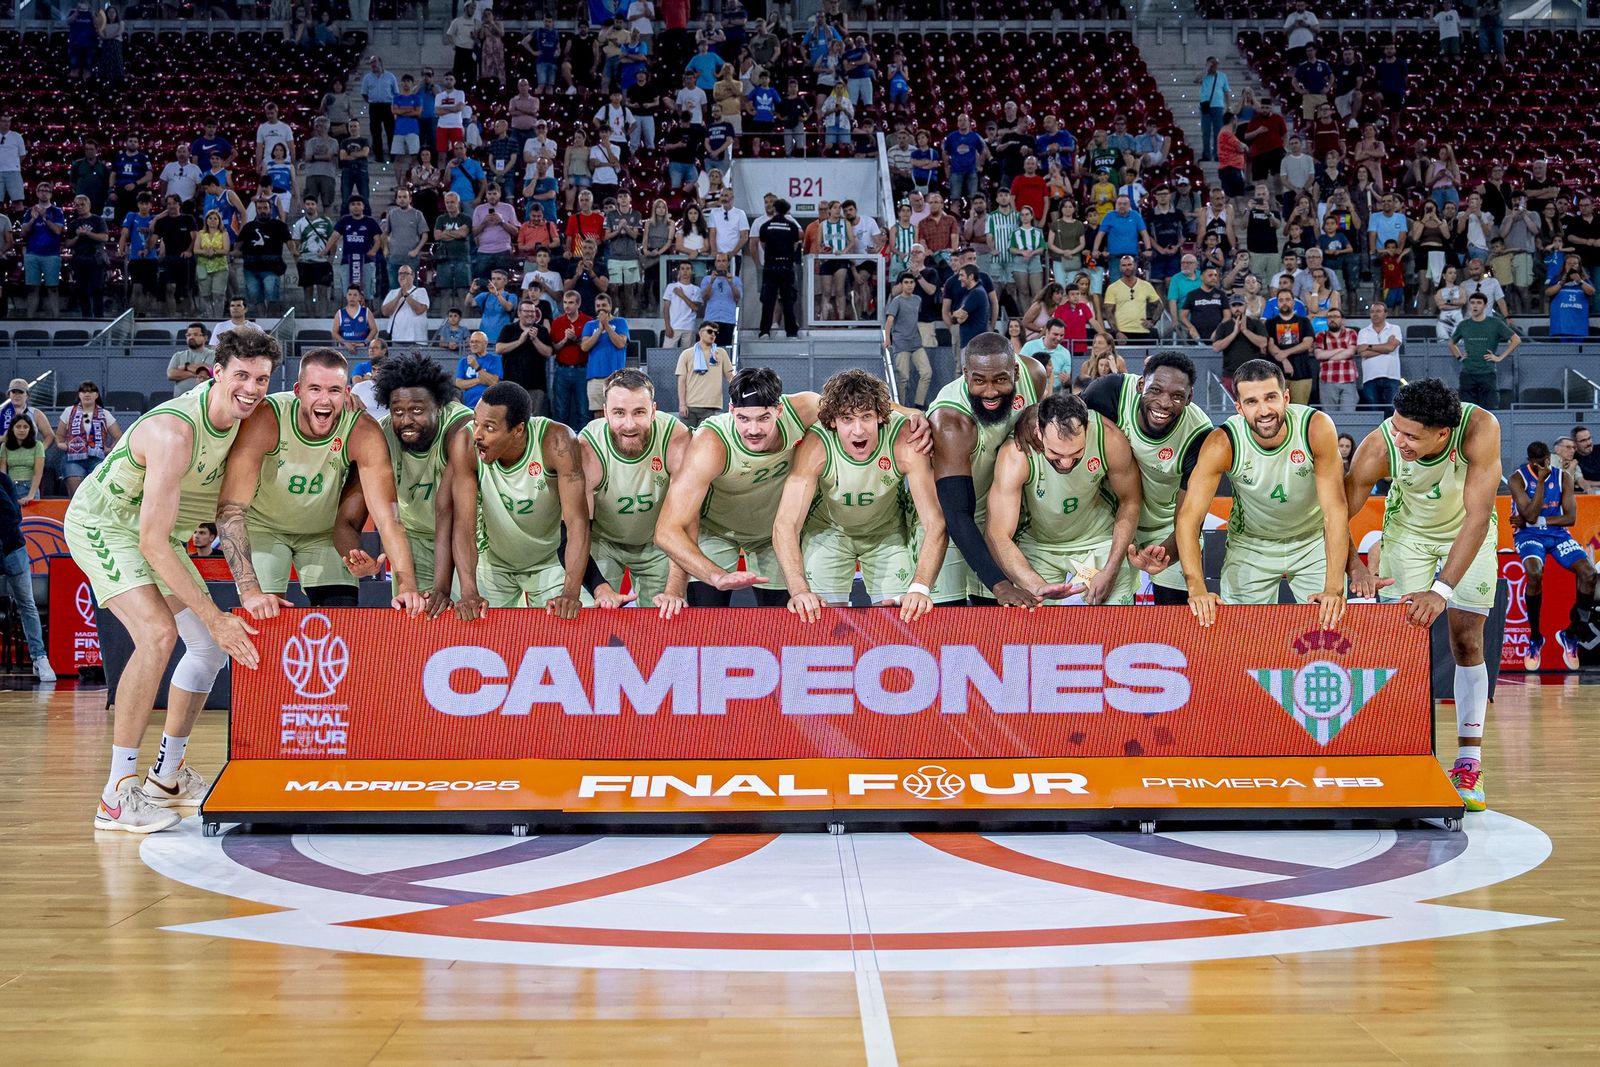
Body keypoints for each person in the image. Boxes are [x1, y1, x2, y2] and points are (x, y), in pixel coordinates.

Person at [66, 329, 283, 832]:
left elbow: (226, 516)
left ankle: (168, 777)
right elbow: (150, 543)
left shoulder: (245, 420)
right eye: (242, 376)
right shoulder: (174, 431)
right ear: (217, 372)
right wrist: (215, 614)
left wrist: (244, 595)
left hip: (157, 535)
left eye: (262, 379)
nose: (252, 388)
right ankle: (118, 794)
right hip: (107, 525)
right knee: (160, 634)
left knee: (206, 647)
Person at [1344, 378, 1502, 811]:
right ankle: (1400, 754)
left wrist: (1441, 590)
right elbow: (1337, 509)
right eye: (1397, 428)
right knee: (1400, 641)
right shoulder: (1381, 445)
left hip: (1467, 532)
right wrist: (1353, 564)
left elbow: (1477, 517)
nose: (1400, 440)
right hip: (1408, 533)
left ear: (1442, 434)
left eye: (1411, 435)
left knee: (1467, 639)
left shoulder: (1480, 428)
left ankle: (1469, 763)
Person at [216, 348, 422, 615]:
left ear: (348, 393)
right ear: (298, 390)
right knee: (264, 614)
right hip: (264, 527)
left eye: (334, 390)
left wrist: (407, 585)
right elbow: (230, 508)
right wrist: (249, 589)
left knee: (341, 616)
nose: (324, 400)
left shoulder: (362, 430)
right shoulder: (268, 417)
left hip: (323, 533)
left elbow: (388, 518)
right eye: (315, 389)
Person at [1177, 359, 1348, 628]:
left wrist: (1334, 586)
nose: (1264, 410)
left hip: (1312, 541)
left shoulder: (1315, 428)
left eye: (1271, 397)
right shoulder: (1223, 442)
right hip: (1251, 544)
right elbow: (1189, 518)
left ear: (1286, 397)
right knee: (1243, 637)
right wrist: (1196, 587)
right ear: (1239, 408)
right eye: (1252, 402)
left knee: (1330, 628)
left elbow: (1335, 510)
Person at [772, 370, 945, 621]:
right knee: (818, 618)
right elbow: (785, 524)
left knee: (902, 618)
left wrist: (920, 587)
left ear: (881, 417)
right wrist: (798, 590)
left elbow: (934, 521)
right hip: (829, 532)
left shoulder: (906, 440)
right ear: (832, 422)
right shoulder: (816, 446)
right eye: (847, 419)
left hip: (886, 533)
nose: (858, 430)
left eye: (866, 417)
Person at [655, 368, 825, 608]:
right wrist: (717, 576)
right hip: (716, 533)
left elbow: (863, 405)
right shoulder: (711, 443)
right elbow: (666, 530)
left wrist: (899, 417)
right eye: (743, 418)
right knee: (706, 630)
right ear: (731, 410)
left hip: (772, 534)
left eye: (763, 418)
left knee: (783, 628)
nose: (753, 430)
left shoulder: (805, 408)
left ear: (779, 410)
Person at [923, 332, 1051, 606]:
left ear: (1016, 371)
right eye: (979, 380)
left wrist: (1035, 410)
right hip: (950, 522)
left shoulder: (1035, 374)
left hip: (1004, 518)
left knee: (1001, 628)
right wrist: (1000, 585)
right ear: (965, 373)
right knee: (950, 628)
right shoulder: (950, 421)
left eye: (1000, 380)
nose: (990, 392)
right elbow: (957, 514)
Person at [446, 381, 590, 617]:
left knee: (581, 626)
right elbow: (463, 526)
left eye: (489, 428)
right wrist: (469, 591)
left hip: (549, 562)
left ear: (518, 430)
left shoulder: (557, 441)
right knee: (466, 625)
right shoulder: (465, 443)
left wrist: (571, 592)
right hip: (492, 562)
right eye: (476, 423)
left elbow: (578, 523)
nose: (477, 435)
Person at [987, 390, 1143, 607]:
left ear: (1087, 429)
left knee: (1116, 628)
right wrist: (1034, 584)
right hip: (1039, 545)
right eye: (1056, 454)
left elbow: (1130, 501)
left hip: (1098, 539)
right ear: (1038, 433)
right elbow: (998, 533)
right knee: (1036, 631)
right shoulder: (1016, 453)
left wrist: (1112, 567)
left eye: (1076, 453)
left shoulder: (1108, 437)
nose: (1067, 463)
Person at [1080, 352, 1213, 606]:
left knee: (1176, 619)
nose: (1164, 403)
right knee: (1103, 613)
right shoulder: (1110, 392)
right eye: (1156, 390)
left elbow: (1190, 518)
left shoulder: (1199, 435)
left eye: (1177, 396)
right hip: (1109, 521)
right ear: (1141, 385)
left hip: (1165, 527)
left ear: (1190, 398)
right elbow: (1065, 422)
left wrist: (1165, 554)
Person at [362, 352, 474, 609]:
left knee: (470, 617)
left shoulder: (462, 429)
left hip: (467, 537)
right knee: (418, 618)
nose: (406, 420)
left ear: (439, 406)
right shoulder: (382, 433)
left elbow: (448, 512)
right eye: (398, 411)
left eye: (416, 410)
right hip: (413, 538)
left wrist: (442, 587)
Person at [577, 369, 692, 616]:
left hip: (660, 542)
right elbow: (576, 530)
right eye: (619, 413)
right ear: (605, 412)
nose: (629, 425)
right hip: (604, 542)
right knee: (594, 620)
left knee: (667, 618)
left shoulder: (676, 437)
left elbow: (687, 520)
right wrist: (599, 588)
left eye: (639, 412)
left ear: (654, 410)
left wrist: (675, 588)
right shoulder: (588, 447)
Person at [1509, 441, 1597, 671]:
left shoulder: (1563, 478)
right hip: (1528, 536)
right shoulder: (1517, 479)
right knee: (1534, 572)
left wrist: (1535, 520)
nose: (1544, 466)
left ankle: (1572, 633)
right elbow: (1527, 514)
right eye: (1538, 464)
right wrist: (1539, 482)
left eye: (1546, 462)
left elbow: (1570, 518)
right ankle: (1536, 638)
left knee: (1588, 573)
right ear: (1531, 462)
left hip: (1557, 534)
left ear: (1549, 458)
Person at [1449, 292, 1518, 408]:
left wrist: (1499, 357)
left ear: (1485, 305)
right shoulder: (1464, 325)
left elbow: (1516, 340)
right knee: (1467, 412)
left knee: (1490, 411)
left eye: (1479, 303)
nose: (1475, 306)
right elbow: (1451, 343)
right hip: (1468, 375)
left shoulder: (1495, 323)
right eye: (1472, 303)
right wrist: (1459, 357)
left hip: (1487, 375)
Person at [58, 381, 122, 498]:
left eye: (91, 391)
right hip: (73, 459)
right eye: (83, 391)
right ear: (79, 395)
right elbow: (59, 438)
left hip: (97, 459)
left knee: (96, 496)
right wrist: (66, 446)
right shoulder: (68, 411)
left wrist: (109, 449)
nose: (87, 394)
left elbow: (119, 437)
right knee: (77, 496)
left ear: (96, 395)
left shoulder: (105, 414)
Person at [884, 272, 934, 408]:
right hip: (901, 343)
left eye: (911, 282)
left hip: (916, 342)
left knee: (927, 372)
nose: (909, 285)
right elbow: (889, 320)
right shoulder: (897, 300)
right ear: (901, 284)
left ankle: (919, 404)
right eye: (906, 282)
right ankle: (901, 406)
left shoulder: (917, 299)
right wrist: (887, 338)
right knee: (903, 378)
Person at [755, 197, 802, 337]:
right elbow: (795, 245)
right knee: (788, 300)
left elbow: (762, 245)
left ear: (774, 209)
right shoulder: (792, 226)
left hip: (770, 266)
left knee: (768, 300)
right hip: (786, 266)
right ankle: (791, 332)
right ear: (787, 210)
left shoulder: (766, 226)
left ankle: (764, 331)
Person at [674, 324, 733, 429]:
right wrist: (682, 404)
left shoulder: (721, 353)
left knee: (705, 442)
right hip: (690, 406)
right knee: (686, 440)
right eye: (710, 331)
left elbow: (730, 377)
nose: (713, 334)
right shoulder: (686, 354)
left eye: (716, 333)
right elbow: (681, 381)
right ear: (700, 333)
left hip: (710, 407)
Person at [1357, 301, 1403, 412]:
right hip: (1370, 378)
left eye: (1378, 311)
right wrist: (1385, 347)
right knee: (1374, 411)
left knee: (1392, 412)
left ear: (1386, 313)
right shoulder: (1363, 332)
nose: (1375, 314)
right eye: (1372, 312)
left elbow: (1391, 348)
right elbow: (1362, 353)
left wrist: (1369, 346)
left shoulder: (1394, 329)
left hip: (1392, 376)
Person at [1314, 306, 1360, 412]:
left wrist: (1328, 357)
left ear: (1342, 319)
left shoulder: (1351, 333)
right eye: (1329, 317)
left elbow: (1350, 352)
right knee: (1329, 418)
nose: (1332, 319)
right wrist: (1341, 349)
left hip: (1348, 379)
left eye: (1335, 316)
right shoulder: (1321, 335)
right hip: (1327, 380)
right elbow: (1319, 355)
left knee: (1348, 417)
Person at [380, 264, 431, 347]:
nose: (402, 275)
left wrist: (406, 295)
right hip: (397, 338)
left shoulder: (421, 291)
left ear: (413, 276)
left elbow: (420, 310)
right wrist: (398, 297)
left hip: (416, 339)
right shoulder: (392, 292)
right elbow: (385, 312)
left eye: (406, 273)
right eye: (400, 273)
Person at [1546, 254, 1595, 339]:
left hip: (1579, 328)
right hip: (1560, 327)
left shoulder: (1585, 280)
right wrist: (1562, 282)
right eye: (1569, 263)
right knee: (1562, 351)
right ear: (1564, 265)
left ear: (1579, 266)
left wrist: (1579, 281)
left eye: (1575, 263)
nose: (1572, 265)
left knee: (1576, 351)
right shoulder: (1557, 278)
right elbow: (1548, 292)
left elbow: (1591, 292)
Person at [2, 415, 46, 504]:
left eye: (25, 427)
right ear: (12, 429)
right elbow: (2, 473)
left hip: (30, 488)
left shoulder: (38, 445)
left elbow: (38, 473)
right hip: (10, 488)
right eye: (18, 426)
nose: (22, 430)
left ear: (30, 429)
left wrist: (30, 496)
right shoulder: (4, 446)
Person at [454, 330, 501, 408]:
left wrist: (477, 367)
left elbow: (494, 382)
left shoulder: (495, 359)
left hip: (489, 405)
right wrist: (480, 380)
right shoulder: (464, 361)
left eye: (477, 342)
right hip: (468, 405)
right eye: (472, 342)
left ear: (485, 344)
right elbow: (459, 384)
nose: (473, 344)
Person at [166, 323, 216, 396]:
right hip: (180, 399)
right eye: (188, 335)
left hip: (202, 398)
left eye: (195, 334)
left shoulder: (212, 354)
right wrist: (193, 374)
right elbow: (171, 374)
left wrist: (186, 367)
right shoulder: (178, 355)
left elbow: (206, 371)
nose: (191, 337)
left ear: (205, 338)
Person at [333, 286, 376, 359]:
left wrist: (364, 343)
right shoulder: (340, 313)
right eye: (349, 294)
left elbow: (374, 329)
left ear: (360, 297)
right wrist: (346, 343)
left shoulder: (366, 312)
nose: (352, 297)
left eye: (355, 295)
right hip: (344, 349)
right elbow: (334, 332)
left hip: (363, 350)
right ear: (346, 296)